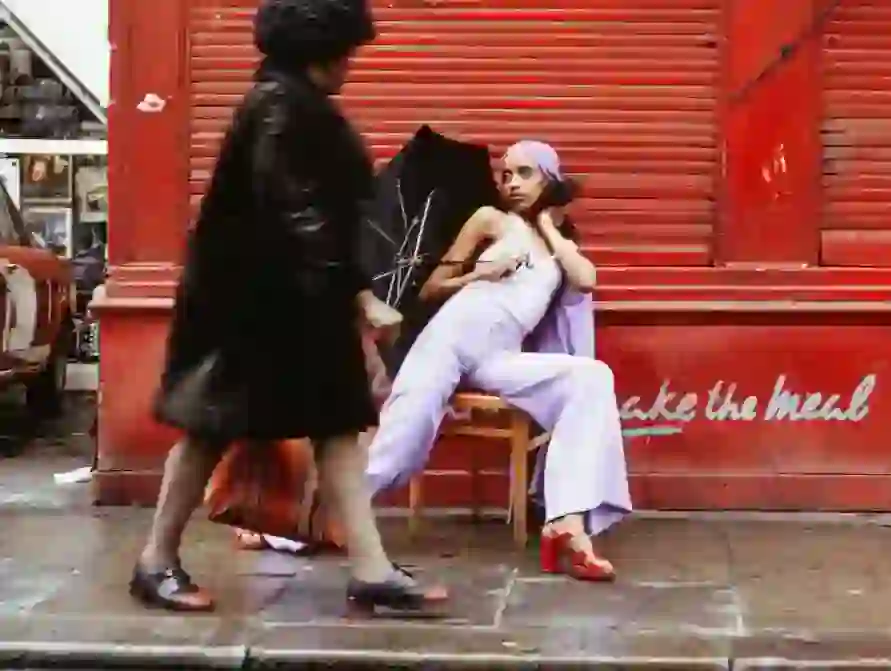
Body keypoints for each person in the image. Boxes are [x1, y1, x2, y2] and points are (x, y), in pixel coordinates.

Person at [130, 0, 445, 614]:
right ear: (320, 50)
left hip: (292, 300)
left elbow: (315, 214)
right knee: (209, 429)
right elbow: (296, 213)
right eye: (347, 51)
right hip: (250, 307)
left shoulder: (293, 104)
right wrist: (360, 297)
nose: (353, 63)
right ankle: (155, 560)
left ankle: (372, 569)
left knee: (335, 429)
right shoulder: (279, 106)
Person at [364, 140, 632, 581]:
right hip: (447, 341)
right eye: (506, 174)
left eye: (525, 173)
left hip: (497, 356)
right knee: (399, 449)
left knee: (590, 379)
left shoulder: (556, 246)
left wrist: (547, 227)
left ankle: (566, 522)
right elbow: (429, 291)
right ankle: (293, 528)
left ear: (549, 178)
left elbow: (586, 280)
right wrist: (479, 274)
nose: (512, 183)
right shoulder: (491, 221)